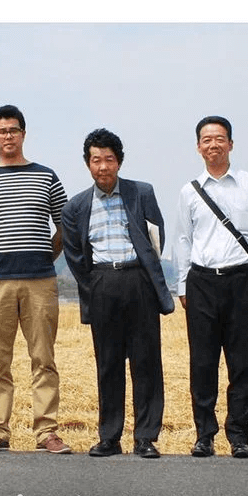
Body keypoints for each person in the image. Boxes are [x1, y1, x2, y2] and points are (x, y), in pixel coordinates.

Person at [0, 104, 71, 454]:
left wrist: (45, 255)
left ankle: (47, 432)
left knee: (43, 358)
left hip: (41, 280)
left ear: (24, 134)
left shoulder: (46, 176)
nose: (8, 136)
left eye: (13, 130)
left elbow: (65, 225)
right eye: (1, 131)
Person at [62, 129, 174, 459]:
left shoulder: (142, 193)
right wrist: (94, 285)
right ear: (87, 164)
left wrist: (147, 276)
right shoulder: (76, 206)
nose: (103, 166)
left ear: (120, 162)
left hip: (138, 280)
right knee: (108, 363)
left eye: (109, 159)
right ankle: (109, 437)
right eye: (96, 160)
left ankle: (145, 437)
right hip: (102, 283)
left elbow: (156, 238)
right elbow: (75, 255)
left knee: (146, 362)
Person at [173, 116, 248, 459]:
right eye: (207, 140)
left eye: (220, 138)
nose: (213, 144)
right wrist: (183, 285)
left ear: (231, 144)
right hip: (202, 282)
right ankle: (204, 435)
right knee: (203, 363)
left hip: (241, 280)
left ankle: (239, 435)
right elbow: (183, 239)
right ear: (198, 147)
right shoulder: (190, 190)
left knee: (242, 362)